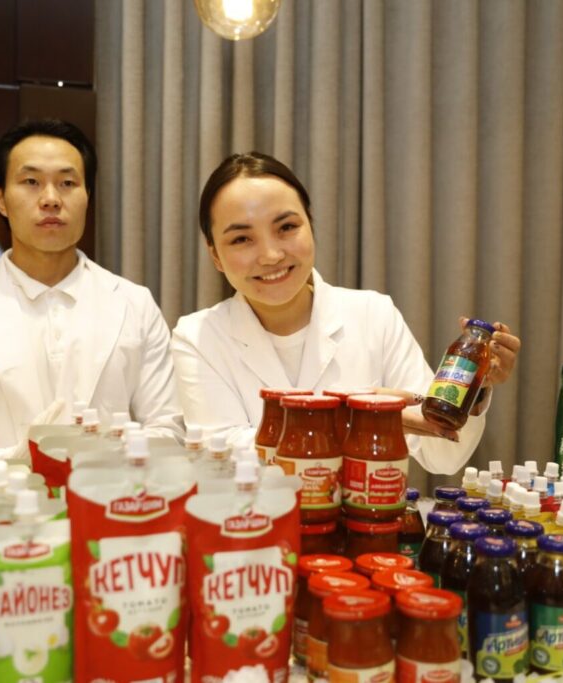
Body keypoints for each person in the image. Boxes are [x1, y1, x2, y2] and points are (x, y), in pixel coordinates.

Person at [171, 152, 521, 474]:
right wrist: (357, 420)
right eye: (241, 239)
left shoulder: (373, 315)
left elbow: (442, 456)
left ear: (310, 225)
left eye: (287, 227)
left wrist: (474, 387)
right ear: (215, 255)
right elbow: (221, 456)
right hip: (256, 519)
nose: (271, 255)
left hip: (366, 519)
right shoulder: (198, 336)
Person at [0, 119, 182, 446]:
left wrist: (107, 460)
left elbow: (168, 430)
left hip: (107, 480)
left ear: (88, 196)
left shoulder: (135, 305)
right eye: (31, 181)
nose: (50, 199)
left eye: (67, 183)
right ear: (0, 199)